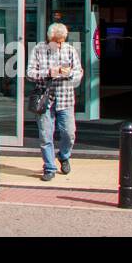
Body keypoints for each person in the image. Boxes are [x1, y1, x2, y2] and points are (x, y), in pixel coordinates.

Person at [26, 22, 83, 181]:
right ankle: (49, 167)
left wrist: (70, 73)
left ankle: (64, 156)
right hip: (45, 99)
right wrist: (48, 73)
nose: (59, 44)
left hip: (65, 97)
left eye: (62, 41)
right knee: (45, 135)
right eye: (56, 41)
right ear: (49, 38)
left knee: (69, 133)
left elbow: (78, 73)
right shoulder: (38, 49)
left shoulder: (70, 50)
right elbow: (30, 73)